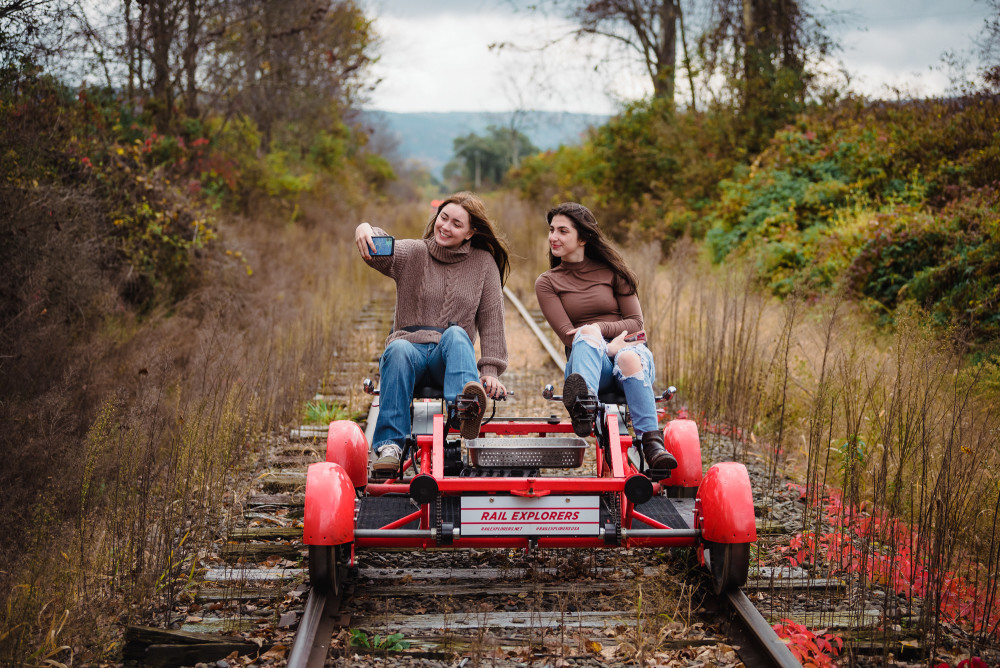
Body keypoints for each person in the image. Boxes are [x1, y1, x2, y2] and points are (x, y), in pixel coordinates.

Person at [355, 192, 509, 473]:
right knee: (398, 348)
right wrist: (364, 228)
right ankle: (390, 446)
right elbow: (377, 251)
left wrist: (490, 370)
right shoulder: (413, 252)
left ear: (470, 232)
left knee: (456, 334)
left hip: (448, 357)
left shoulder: (484, 263)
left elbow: (491, 320)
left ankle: (464, 411)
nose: (446, 227)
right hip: (408, 354)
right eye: (443, 218)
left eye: (456, 224)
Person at [534, 202, 676, 471]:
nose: (553, 237)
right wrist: (600, 339)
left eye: (563, 231)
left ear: (584, 237)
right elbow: (568, 335)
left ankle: (651, 443)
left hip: (629, 353)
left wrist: (601, 334)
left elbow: (637, 325)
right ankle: (584, 406)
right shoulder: (548, 282)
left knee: (628, 357)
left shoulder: (614, 273)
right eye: (552, 230)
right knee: (586, 335)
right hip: (590, 362)